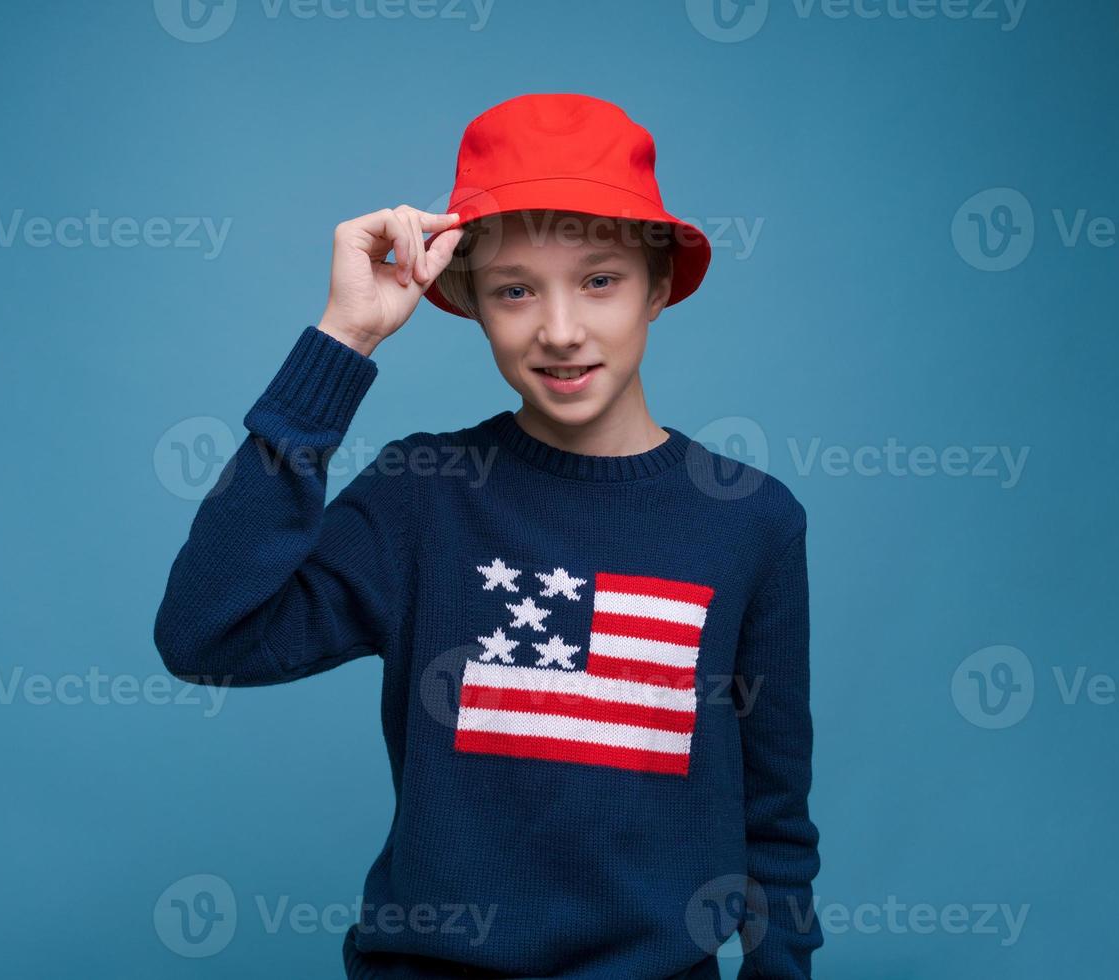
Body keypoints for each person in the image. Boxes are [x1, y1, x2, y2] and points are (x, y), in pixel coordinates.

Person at [153, 92, 821, 979]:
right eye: (515, 290)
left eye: (599, 280)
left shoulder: (752, 520)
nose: (559, 330)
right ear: (465, 297)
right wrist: (341, 342)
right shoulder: (422, 495)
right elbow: (207, 636)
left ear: (659, 285)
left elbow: (773, 821)